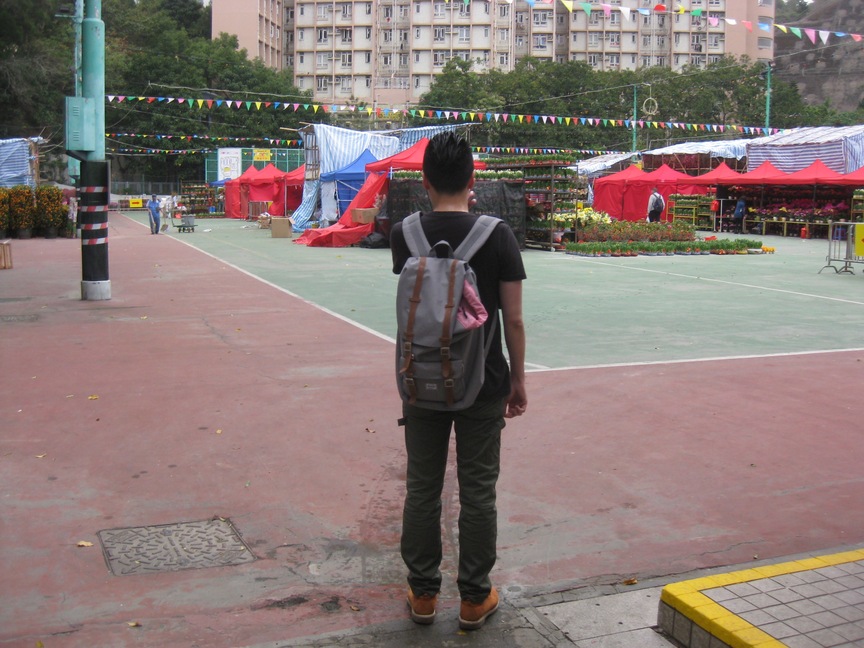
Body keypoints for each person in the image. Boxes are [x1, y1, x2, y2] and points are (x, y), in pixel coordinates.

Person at [389, 132, 527, 631]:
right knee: (478, 491)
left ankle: (423, 594)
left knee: (422, 488)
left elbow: (418, 309)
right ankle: (473, 598)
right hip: (484, 381)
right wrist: (518, 380)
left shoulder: (405, 234)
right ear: (474, 179)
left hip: (420, 380)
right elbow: (512, 320)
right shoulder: (499, 234)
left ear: (423, 181)